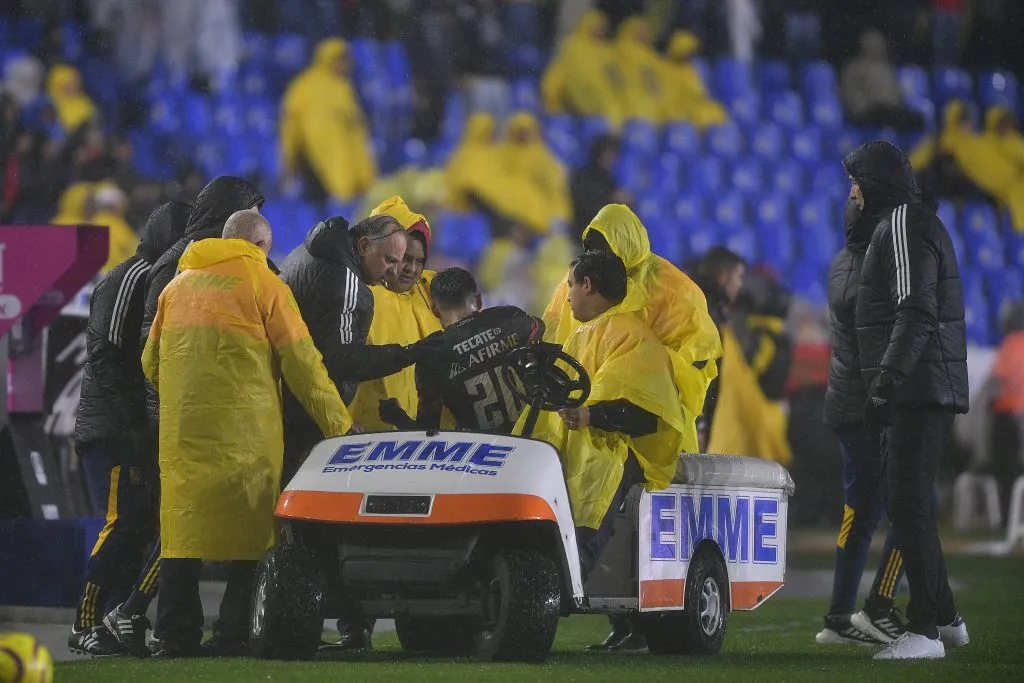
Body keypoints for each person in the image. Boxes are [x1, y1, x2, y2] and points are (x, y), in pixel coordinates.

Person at [142, 210, 354, 658]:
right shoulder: (264, 284)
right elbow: (304, 366)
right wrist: (341, 427)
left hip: (183, 434)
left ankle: (174, 634)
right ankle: (234, 631)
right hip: (246, 435)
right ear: (261, 247)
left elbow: (150, 363)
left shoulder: (175, 289)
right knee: (250, 536)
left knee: (182, 532)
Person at [852, 140, 970, 660]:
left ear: (876, 184)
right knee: (911, 504)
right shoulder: (905, 222)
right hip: (921, 384)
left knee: (905, 504)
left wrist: (888, 379)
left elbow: (916, 308)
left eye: (857, 182)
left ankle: (922, 630)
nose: (851, 193)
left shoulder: (904, 222)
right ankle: (946, 619)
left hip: (916, 387)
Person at [67, 200, 191, 657]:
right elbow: (107, 357)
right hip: (115, 431)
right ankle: (84, 624)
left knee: (138, 528)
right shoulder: (132, 277)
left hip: (131, 427)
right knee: (122, 525)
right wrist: (135, 426)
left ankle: (114, 623)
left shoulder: (160, 276)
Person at [526, 251, 686, 579]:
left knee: (574, 553)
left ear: (588, 285)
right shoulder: (586, 333)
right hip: (579, 456)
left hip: (614, 458)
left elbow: (647, 415)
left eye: (570, 285)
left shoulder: (633, 337)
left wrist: (591, 416)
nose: (566, 295)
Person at [816, 179, 909, 647]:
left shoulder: (842, 262)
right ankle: (879, 607)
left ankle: (838, 616)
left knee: (861, 510)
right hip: (866, 407)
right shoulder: (874, 267)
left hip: (846, 405)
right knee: (916, 508)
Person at [380, 267, 544, 434]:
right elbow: (542, 336)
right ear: (478, 300)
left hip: (482, 452)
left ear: (435, 310)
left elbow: (427, 434)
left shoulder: (432, 352)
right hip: (538, 441)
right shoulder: (512, 317)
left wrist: (396, 416)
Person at [348, 197, 443, 432]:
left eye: (419, 261)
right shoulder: (355, 295)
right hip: (365, 443)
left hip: (424, 444)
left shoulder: (432, 290)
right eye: (404, 258)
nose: (411, 268)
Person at [280, 38, 377, 205]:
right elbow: (290, 125)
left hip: (345, 160)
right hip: (313, 161)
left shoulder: (342, 86)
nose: (346, 64)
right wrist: (290, 160)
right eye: (342, 60)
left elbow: (356, 126)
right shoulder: (303, 85)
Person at [541, 9, 625, 128]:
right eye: (596, 26)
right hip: (573, 103)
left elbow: (617, 81)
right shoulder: (572, 45)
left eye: (602, 27)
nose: (599, 30)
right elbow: (558, 75)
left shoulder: (609, 52)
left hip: (606, 105)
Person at [840, 29, 924, 133]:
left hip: (889, 111)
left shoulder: (887, 67)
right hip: (869, 112)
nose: (878, 47)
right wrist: (863, 109)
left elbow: (895, 94)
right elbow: (851, 95)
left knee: (917, 119)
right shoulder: (853, 68)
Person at [661, 30, 729, 131]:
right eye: (684, 51)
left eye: (689, 52)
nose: (687, 55)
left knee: (717, 112)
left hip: (696, 106)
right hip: (677, 108)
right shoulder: (664, 67)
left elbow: (702, 93)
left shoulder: (696, 67)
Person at [570, 135, 626, 243]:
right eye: (608, 153)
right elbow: (585, 205)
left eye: (614, 153)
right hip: (582, 236)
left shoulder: (609, 179)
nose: (612, 158)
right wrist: (612, 198)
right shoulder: (583, 176)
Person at [45, 63, 97, 133]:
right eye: (70, 83)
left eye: (76, 83)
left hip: (80, 135)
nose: (75, 85)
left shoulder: (84, 101)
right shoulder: (52, 100)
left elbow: (92, 118)